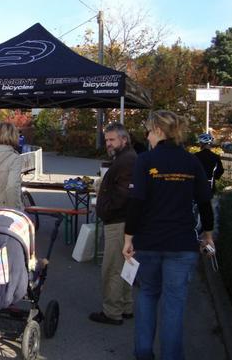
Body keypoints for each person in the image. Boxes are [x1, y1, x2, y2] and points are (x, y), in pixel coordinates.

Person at [123, 110, 214, 360]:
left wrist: (128, 238)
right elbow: (205, 201)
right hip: (182, 244)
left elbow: (136, 202)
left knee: (148, 295)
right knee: (174, 304)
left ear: (159, 131)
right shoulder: (191, 161)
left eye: (149, 132)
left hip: (148, 242)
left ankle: (143, 353)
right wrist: (208, 233)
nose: (148, 137)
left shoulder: (145, 161)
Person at [90, 122, 136, 326]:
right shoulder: (125, 158)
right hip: (122, 221)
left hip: (119, 222)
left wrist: (106, 210)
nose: (108, 143)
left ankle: (112, 312)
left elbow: (124, 195)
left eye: (112, 140)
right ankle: (125, 307)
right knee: (124, 268)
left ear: (124, 139)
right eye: (107, 139)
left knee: (112, 269)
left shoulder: (127, 161)